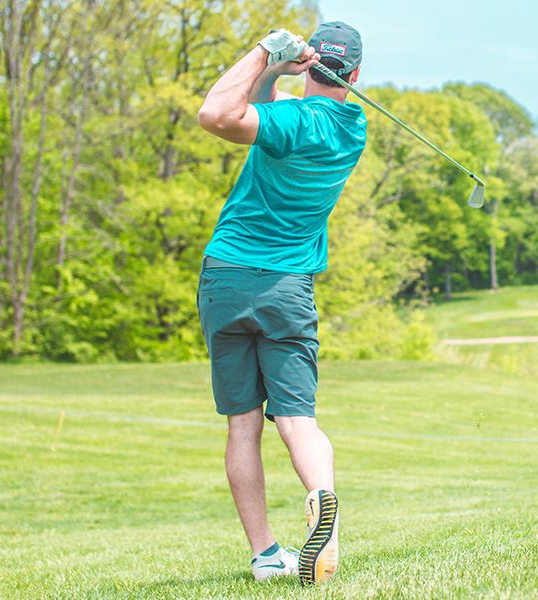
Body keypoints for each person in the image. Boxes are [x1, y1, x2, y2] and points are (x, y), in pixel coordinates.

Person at [194, 21, 365, 585]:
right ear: (356, 76)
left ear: (312, 62)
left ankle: (267, 555)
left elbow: (216, 113)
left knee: (243, 425)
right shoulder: (353, 129)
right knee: (297, 418)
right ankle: (323, 504)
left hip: (228, 278)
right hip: (288, 289)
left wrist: (266, 49)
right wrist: (275, 75)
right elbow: (273, 115)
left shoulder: (292, 122)